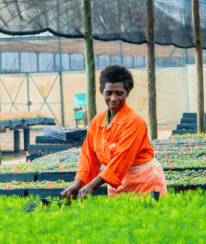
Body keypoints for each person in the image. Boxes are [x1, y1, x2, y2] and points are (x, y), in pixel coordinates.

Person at [61, 65, 168, 201]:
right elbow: (88, 156)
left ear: (127, 93)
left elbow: (122, 158)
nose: (113, 98)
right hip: (116, 183)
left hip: (144, 181)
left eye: (119, 93)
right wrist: (78, 183)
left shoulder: (134, 121)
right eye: (108, 93)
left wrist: (93, 185)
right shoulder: (97, 121)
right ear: (101, 91)